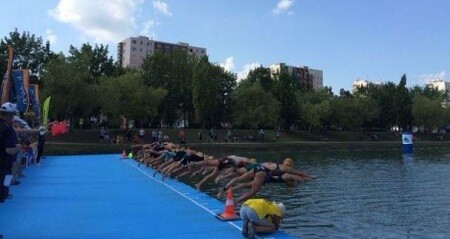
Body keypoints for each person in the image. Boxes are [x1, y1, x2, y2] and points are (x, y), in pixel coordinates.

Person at [0, 102, 21, 203]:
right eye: (13, 114)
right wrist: (18, 148)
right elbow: (9, 150)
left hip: (4, 163)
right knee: (5, 182)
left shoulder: (6, 126)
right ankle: (4, 194)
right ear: (9, 115)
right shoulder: (7, 129)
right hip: (4, 164)